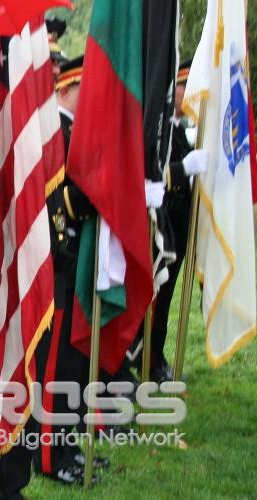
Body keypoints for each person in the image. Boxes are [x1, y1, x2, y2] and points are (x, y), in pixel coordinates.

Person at [31, 56, 107, 485]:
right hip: (57, 260)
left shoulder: (75, 132)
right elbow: (56, 202)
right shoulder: (53, 132)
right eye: (85, 89)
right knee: (56, 367)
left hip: (77, 258)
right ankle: (49, 454)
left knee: (75, 360)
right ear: (65, 89)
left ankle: (67, 442)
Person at [137, 59, 207, 383]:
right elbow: (149, 176)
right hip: (158, 223)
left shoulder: (184, 128)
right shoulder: (158, 126)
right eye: (183, 87)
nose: (187, 94)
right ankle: (146, 361)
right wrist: (182, 171)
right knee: (154, 297)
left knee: (166, 300)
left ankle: (157, 355)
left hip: (179, 224)